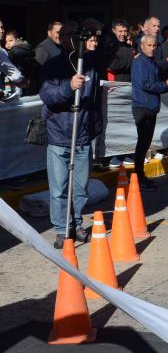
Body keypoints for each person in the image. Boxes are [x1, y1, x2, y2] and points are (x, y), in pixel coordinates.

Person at [39, 22, 104, 249]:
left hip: (83, 135)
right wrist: (69, 86)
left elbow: (95, 101)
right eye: (67, 35)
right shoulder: (53, 65)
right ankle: (61, 228)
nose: (71, 39)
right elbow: (48, 96)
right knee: (58, 189)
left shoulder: (91, 64)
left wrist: (94, 129)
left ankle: (76, 224)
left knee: (80, 188)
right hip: (59, 135)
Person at [131, 35, 168, 191]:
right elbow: (146, 84)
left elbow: (158, 84)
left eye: (155, 45)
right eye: (149, 45)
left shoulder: (151, 62)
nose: (152, 48)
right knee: (142, 143)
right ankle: (138, 177)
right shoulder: (139, 62)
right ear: (142, 46)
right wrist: (166, 84)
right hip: (142, 107)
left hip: (152, 106)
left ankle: (140, 176)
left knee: (145, 143)